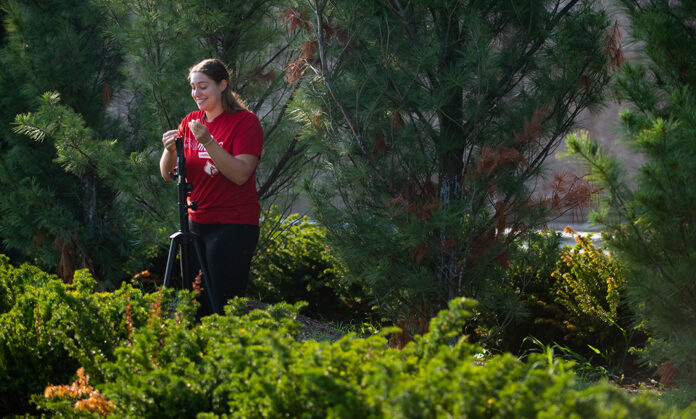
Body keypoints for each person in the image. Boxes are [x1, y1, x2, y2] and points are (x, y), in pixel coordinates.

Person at [159, 58, 263, 316]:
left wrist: (208, 142)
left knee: (224, 304)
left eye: (203, 86)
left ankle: (228, 353)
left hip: (234, 224)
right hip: (196, 224)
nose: (197, 94)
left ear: (222, 85)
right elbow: (168, 175)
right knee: (196, 304)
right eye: (193, 87)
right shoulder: (191, 120)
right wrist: (168, 151)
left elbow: (240, 174)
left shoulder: (245, 122)